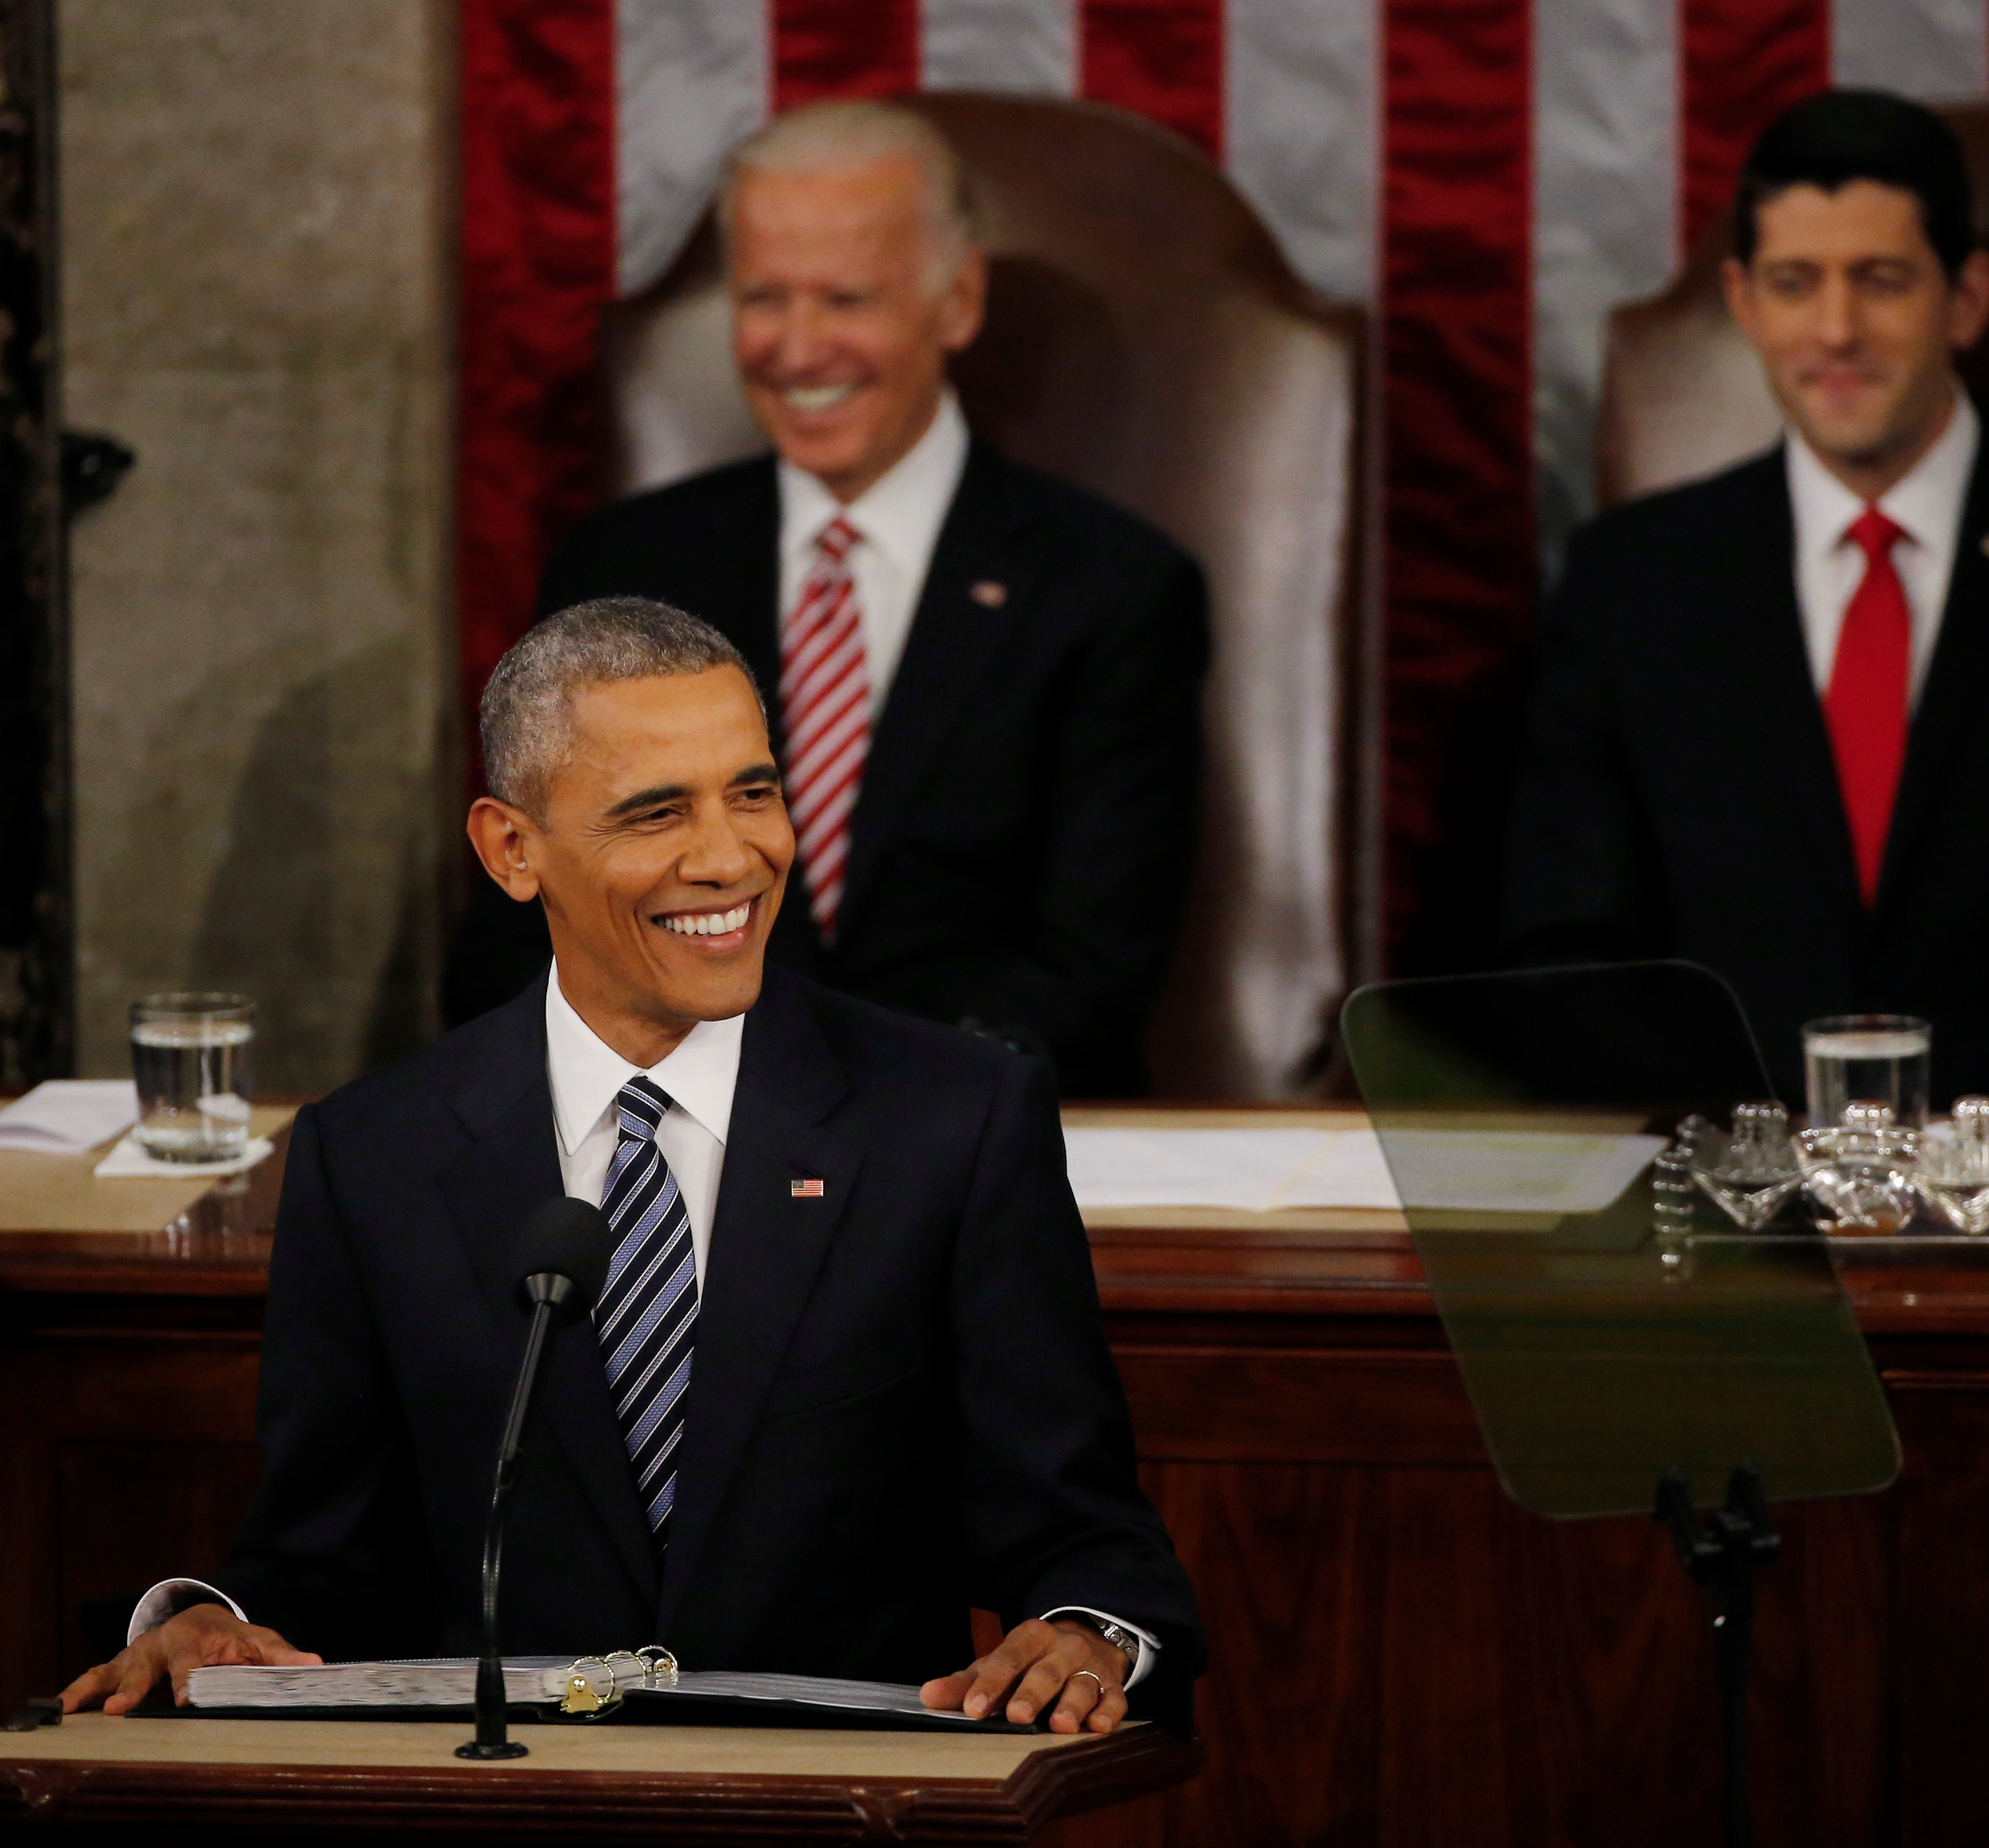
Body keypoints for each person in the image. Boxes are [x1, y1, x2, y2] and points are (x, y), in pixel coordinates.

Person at [65, 598, 1202, 1734]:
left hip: (846, 1802)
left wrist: (1087, 1628)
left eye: (753, 791)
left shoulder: (951, 1122)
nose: (729, 856)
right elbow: (323, 1555)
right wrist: (213, 1619)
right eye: (656, 811)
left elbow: (1082, 1536)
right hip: (508, 1806)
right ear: (513, 849)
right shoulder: (372, 1154)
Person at [1501, 89, 1989, 1102]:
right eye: (1796, 284)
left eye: (1879, 281)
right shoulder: (1632, 581)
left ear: (1965, 298)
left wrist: (1963, 1146)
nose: (1835, 330)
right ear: (1745, 305)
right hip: (1733, 1207)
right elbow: (1564, 956)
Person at [444, 101, 1209, 1099]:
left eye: (846, 300)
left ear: (958, 300)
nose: (797, 351)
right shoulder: (624, 564)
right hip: (667, 1131)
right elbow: (519, 922)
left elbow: (1092, 973)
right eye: (764, 299)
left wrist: (850, 1113)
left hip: (970, 1136)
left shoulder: (1110, 587)